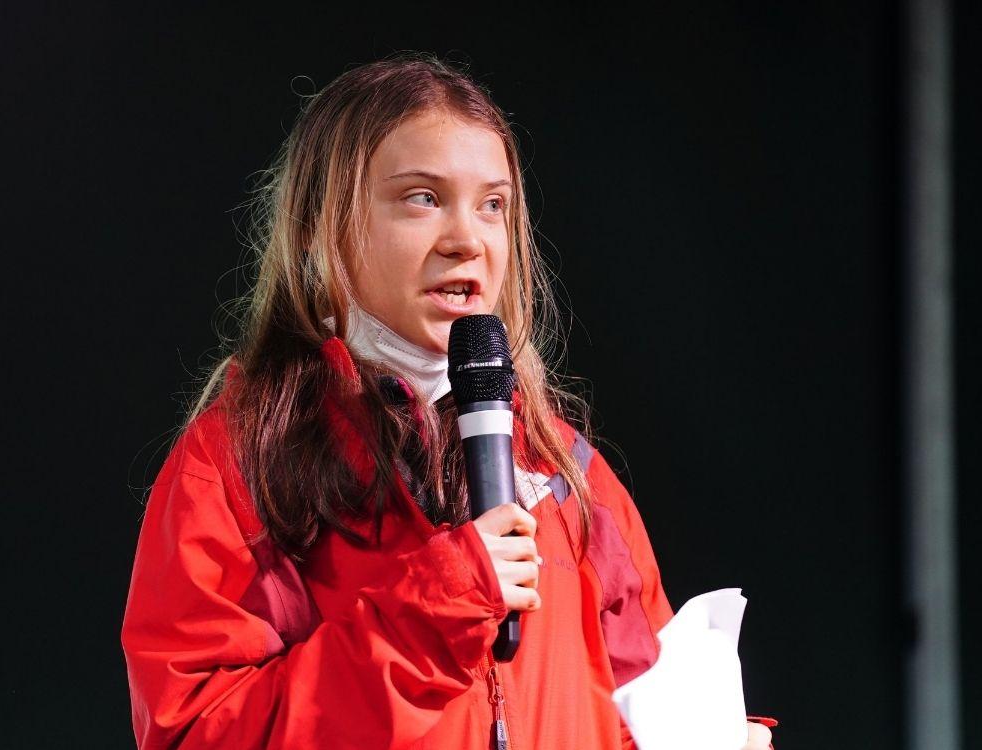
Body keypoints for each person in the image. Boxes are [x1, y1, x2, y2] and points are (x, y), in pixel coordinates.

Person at [120, 55, 774, 750]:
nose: (467, 241)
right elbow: (197, 733)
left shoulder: (564, 470)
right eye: (422, 198)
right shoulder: (238, 467)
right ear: (320, 226)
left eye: (492, 205)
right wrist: (434, 610)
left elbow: (642, 705)